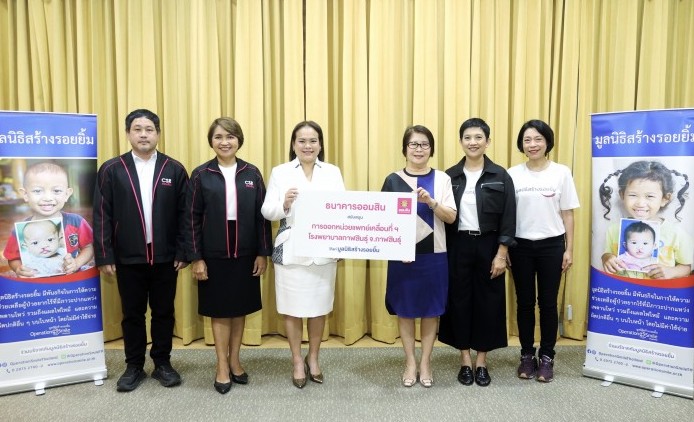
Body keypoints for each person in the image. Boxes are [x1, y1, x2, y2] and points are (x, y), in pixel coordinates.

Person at [93, 109, 189, 392]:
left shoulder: (174, 169)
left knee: (163, 312)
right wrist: (105, 254)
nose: (143, 134)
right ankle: (133, 365)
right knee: (132, 314)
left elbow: (185, 215)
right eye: (137, 129)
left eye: (149, 129)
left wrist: (183, 251)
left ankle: (162, 363)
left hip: (166, 258)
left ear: (158, 134)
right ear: (128, 134)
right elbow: (102, 214)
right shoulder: (112, 169)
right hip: (127, 257)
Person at [186, 117, 272, 394]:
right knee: (220, 311)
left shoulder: (252, 173)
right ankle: (221, 365)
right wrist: (196, 258)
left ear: (239, 140)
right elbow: (191, 218)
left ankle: (235, 360)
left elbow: (262, 217)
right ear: (211, 142)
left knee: (239, 309)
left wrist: (262, 253)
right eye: (219, 137)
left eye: (230, 136)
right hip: (213, 255)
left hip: (246, 253)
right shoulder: (201, 174)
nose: (224, 142)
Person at [261, 121, 345, 389]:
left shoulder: (332, 172)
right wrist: (284, 204)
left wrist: (341, 244)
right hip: (292, 251)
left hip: (323, 250)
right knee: (292, 309)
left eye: (313, 141)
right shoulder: (280, 172)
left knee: (319, 309)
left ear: (320, 144)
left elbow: (344, 210)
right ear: (293, 144)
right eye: (302, 141)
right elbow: (267, 211)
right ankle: (297, 360)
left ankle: (314, 358)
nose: (307, 146)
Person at [438, 117, 516, 387]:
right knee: (458, 301)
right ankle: (464, 360)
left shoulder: (500, 175)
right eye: (467, 138)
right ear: (461, 142)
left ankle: (481, 361)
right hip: (457, 245)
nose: (473, 142)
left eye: (478, 137)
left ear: (487, 141)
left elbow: (509, 217)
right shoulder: (449, 176)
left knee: (488, 302)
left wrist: (502, 254)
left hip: (489, 245)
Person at [381, 125, 457, 388]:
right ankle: (410, 362)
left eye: (424, 144)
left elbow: (451, 217)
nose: (419, 149)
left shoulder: (442, 179)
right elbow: (382, 222)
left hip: (434, 256)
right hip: (402, 258)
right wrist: (396, 249)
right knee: (405, 310)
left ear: (431, 149)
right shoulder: (392, 180)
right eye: (413, 144)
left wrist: (432, 203)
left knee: (430, 311)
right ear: (405, 149)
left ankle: (425, 362)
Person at [507, 119, 580, 383]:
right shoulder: (512, 174)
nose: (533, 144)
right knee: (525, 303)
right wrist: (505, 249)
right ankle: (527, 354)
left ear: (547, 142)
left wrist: (569, 249)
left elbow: (568, 214)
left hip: (552, 246)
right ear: (521, 144)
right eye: (527, 140)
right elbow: (507, 215)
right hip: (520, 246)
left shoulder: (561, 173)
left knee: (548, 303)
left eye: (538, 139)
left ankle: (547, 356)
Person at [599, 160, 692, 279]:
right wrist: (606, 258)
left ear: (664, 198)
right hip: (624, 289)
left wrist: (671, 272)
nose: (640, 203)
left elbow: (686, 267)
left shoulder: (676, 233)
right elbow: (607, 253)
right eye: (633, 195)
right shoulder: (613, 230)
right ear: (622, 195)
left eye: (650, 196)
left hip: (658, 290)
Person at [2, 162, 94, 277]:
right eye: (37, 191)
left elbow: (89, 247)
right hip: (39, 284)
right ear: (25, 194)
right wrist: (18, 268)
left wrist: (76, 263)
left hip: (72, 281)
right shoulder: (20, 231)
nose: (47, 198)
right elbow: (13, 258)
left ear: (67, 194)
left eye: (56, 191)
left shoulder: (76, 222)